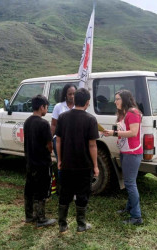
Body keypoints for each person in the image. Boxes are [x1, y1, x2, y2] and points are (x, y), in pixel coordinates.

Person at [55, 88, 99, 233]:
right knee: (82, 194)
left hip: (67, 164)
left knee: (65, 193)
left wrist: (60, 160)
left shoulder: (62, 117)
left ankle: (62, 224)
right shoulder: (91, 119)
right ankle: (81, 224)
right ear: (87, 102)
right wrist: (96, 166)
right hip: (84, 165)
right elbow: (92, 145)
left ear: (74, 100)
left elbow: (58, 141)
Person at [103, 89, 143, 225]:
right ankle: (130, 208)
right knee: (129, 182)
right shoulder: (123, 114)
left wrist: (114, 133)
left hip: (133, 152)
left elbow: (133, 132)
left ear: (125, 99)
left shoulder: (133, 113)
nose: (115, 102)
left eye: (117, 99)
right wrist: (113, 133)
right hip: (126, 151)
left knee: (130, 183)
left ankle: (136, 216)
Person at [23, 94, 56, 228]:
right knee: (41, 190)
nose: (46, 110)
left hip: (30, 162)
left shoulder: (27, 121)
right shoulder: (43, 123)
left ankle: (29, 216)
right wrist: (50, 151)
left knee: (29, 188)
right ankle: (41, 219)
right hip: (42, 163)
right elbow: (49, 145)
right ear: (42, 107)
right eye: (46, 107)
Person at [51, 83, 77, 158]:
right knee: (61, 164)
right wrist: (51, 140)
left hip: (75, 140)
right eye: (70, 94)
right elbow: (53, 125)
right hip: (60, 140)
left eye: (74, 94)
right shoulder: (58, 106)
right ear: (65, 94)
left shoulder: (79, 106)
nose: (72, 96)